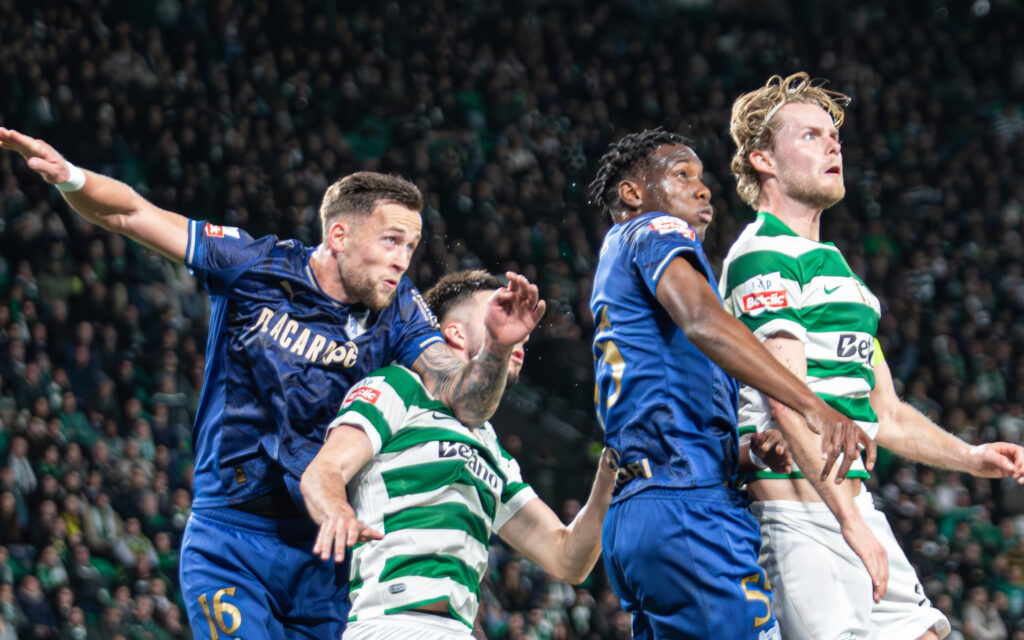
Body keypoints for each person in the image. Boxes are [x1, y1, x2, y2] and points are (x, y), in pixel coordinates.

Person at [0, 127, 543, 639]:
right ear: (339, 235)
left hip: (326, 552)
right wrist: (71, 176)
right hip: (231, 540)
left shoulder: (400, 311)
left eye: (411, 247)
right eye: (392, 241)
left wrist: (495, 349)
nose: (403, 261)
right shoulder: (254, 266)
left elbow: (464, 401)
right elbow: (131, 213)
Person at [722, 72, 1024, 640]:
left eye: (834, 136)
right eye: (811, 136)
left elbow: (885, 413)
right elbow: (787, 402)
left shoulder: (843, 274)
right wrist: (849, 524)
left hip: (853, 509)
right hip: (800, 517)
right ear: (763, 160)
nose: (833, 146)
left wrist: (971, 456)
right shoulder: (762, 255)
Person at [586, 127, 878, 640]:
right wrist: (813, 406)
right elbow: (703, 321)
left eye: (701, 177)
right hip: (688, 510)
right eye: (681, 175)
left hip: (637, 512)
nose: (702, 189)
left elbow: (665, 411)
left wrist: (746, 453)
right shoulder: (656, 229)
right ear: (632, 194)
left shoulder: (615, 264)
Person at [300, 270, 615, 639]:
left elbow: (567, 558)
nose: (520, 332)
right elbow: (323, 471)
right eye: (498, 310)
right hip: (390, 624)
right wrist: (337, 510)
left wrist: (611, 470)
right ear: (455, 333)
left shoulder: (491, 446)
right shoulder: (400, 386)